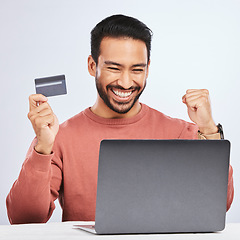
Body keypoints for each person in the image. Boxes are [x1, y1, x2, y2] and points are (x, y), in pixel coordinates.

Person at [6, 14, 234, 224]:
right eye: (114, 68)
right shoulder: (59, 136)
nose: (126, 83)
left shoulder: (182, 132)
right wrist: (44, 146)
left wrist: (208, 129)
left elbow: (218, 204)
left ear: (148, 69)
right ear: (92, 65)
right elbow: (23, 220)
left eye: (137, 70)